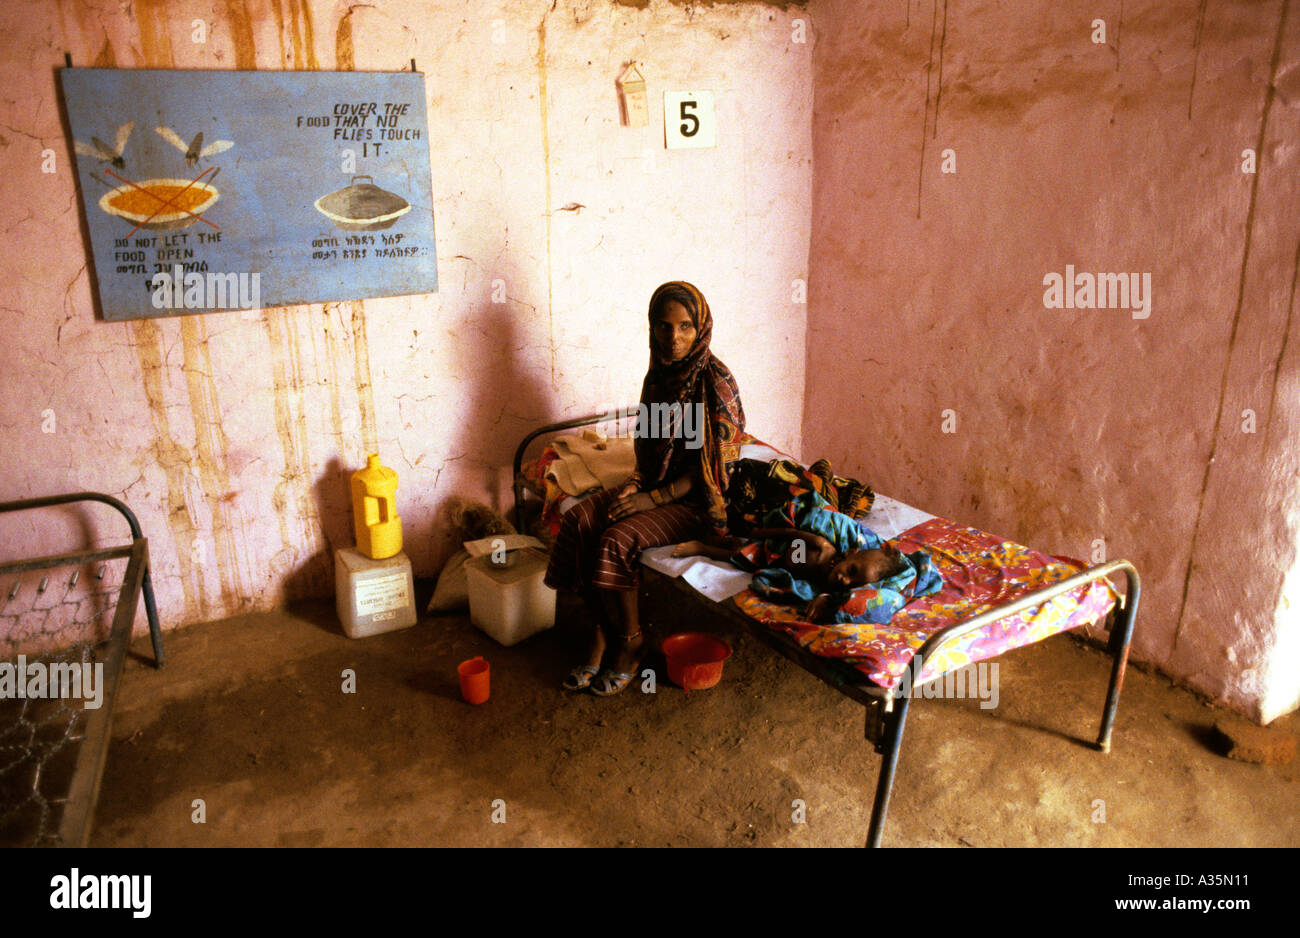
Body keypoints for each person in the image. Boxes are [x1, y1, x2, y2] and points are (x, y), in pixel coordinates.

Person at [544, 281, 745, 695]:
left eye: (685, 327)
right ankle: (600, 632)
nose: (674, 338)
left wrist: (650, 499)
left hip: (697, 502)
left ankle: (631, 641)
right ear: (652, 328)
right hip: (654, 486)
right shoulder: (659, 377)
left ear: (701, 327)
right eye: (664, 326)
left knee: (616, 539)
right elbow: (649, 451)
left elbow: (711, 468)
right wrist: (636, 485)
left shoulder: (715, 383)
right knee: (580, 520)